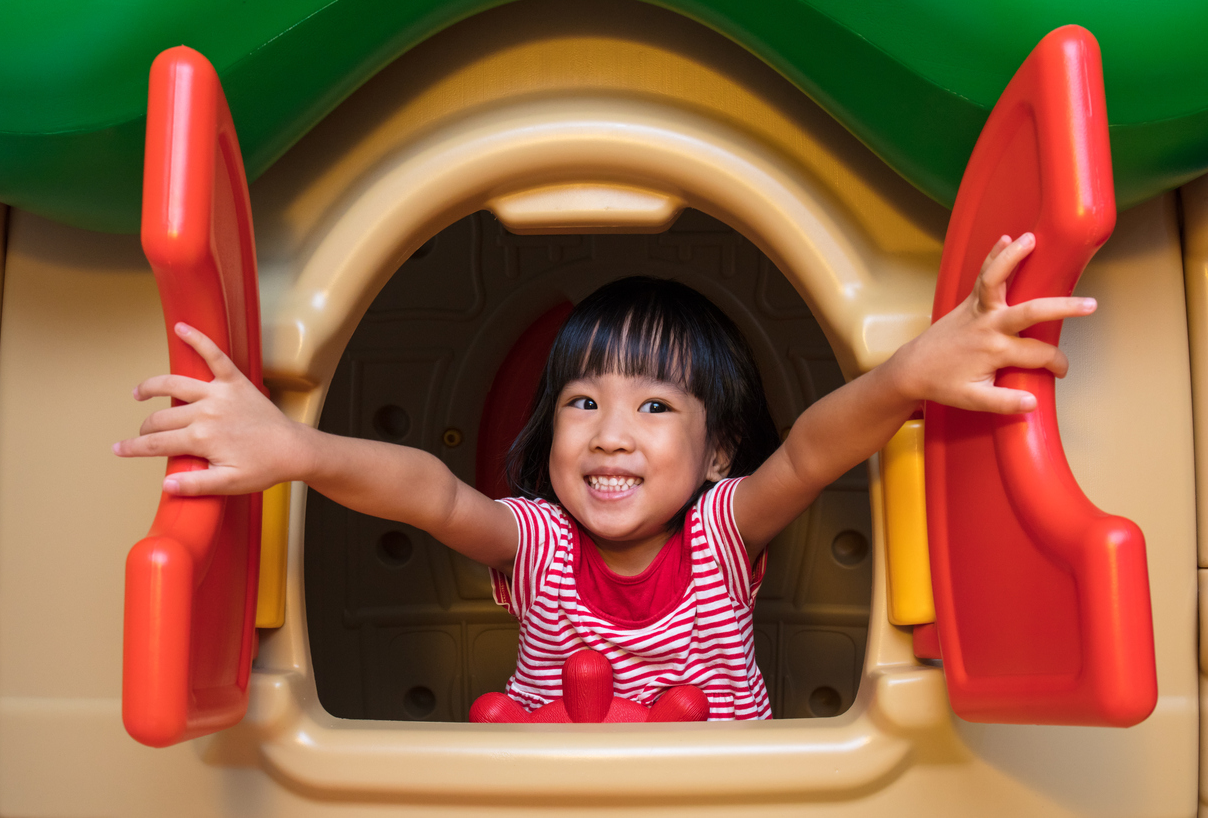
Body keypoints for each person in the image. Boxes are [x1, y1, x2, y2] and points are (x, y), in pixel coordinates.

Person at [113, 232, 1093, 720]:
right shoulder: (538, 541)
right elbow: (432, 493)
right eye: (583, 401)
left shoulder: (719, 529)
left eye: (655, 404)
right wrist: (297, 447)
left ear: (715, 453)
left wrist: (903, 377)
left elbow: (809, 450)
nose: (610, 433)